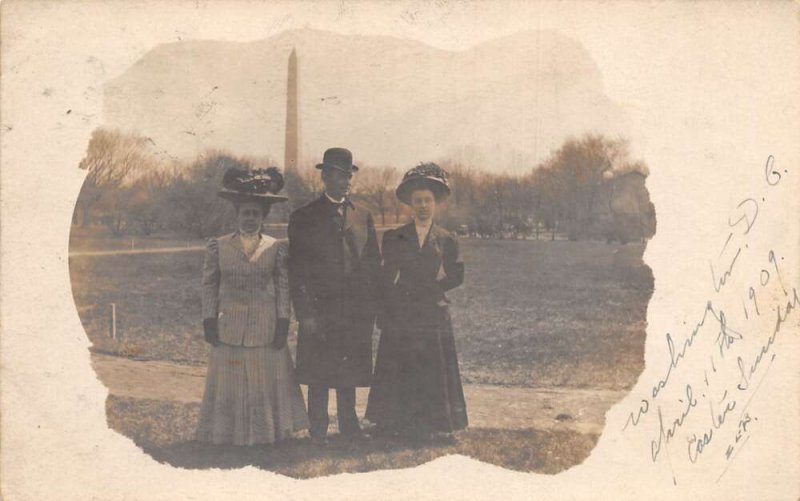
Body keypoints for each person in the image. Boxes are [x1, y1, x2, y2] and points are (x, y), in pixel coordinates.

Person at [196, 164, 309, 446]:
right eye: (245, 213)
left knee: (262, 382)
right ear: (237, 215)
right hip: (229, 326)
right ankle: (227, 437)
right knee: (231, 383)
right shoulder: (218, 246)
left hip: (265, 326)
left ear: (263, 217)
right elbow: (209, 284)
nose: (249, 219)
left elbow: (283, 286)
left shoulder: (275, 247)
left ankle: (266, 436)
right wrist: (209, 320)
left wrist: (283, 322)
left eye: (255, 214)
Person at [365, 162, 468, 439]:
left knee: (432, 367)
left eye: (427, 201)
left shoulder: (446, 239)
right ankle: (393, 423)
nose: (423, 206)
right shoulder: (394, 236)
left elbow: (457, 274)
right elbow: (385, 277)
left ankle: (434, 425)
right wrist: (386, 308)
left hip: (433, 311)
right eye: (418, 201)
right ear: (410, 205)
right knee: (400, 364)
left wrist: (435, 287)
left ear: (436, 204)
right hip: (403, 310)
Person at [288, 147, 381, 444]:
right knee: (318, 374)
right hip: (319, 310)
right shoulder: (304, 217)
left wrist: (370, 309)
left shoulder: (363, 215)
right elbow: (297, 271)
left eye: (349, 174)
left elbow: (372, 265)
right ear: (325, 177)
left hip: (353, 312)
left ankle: (349, 426)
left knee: (348, 371)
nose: (346, 181)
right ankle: (317, 430)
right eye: (340, 175)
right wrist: (306, 314)